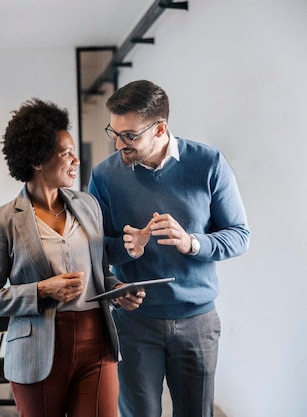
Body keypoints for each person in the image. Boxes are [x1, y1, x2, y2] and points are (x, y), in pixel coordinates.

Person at [0, 98, 145, 417]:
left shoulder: (89, 205)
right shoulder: (3, 220)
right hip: (37, 349)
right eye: (66, 153)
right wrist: (41, 290)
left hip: (97, 340)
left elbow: (98, 272)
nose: (76, 160)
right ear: (38, 160)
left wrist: (119, 291)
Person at [88, 80, 250, 417]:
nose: (119, 144)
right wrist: (126, 250)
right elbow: (91, 250)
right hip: (134, 323)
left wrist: (192, 242)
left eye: (129, 135)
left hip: (197, 322)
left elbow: (239, 235)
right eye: (114, 132)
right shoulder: (104, 176)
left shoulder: (208, 163)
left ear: (160, 128)